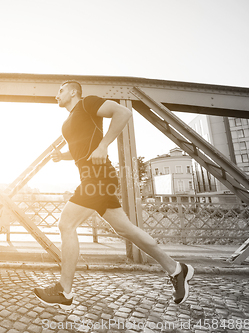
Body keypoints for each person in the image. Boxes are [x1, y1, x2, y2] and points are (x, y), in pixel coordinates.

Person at [34, 81, 194, 310]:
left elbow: (123, 112)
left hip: (97, 177)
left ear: (73, 91)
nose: (55, 95)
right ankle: (178, 270)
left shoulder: (87, 103)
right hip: (92, 176)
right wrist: (63, 156)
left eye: (59, 90)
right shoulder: (69, 120)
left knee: (66, 224)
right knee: (126, 230)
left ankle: (64, 290)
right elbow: (81, 148)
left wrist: (104, 145)